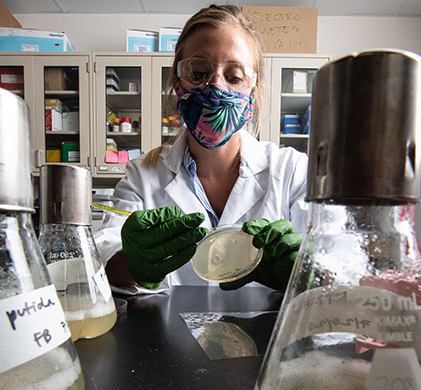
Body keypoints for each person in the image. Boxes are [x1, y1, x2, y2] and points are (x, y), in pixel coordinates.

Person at [94, 4, 308, 292]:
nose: (215, 87)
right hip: (166, 335)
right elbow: (103, 255)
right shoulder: (141, 175)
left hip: (267, 336)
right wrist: (133, 262)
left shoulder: (292, 171)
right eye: (198, 73)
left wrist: (301, 271)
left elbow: (334, 262)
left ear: (253, 94)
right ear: (176, 82)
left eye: (234, 77)